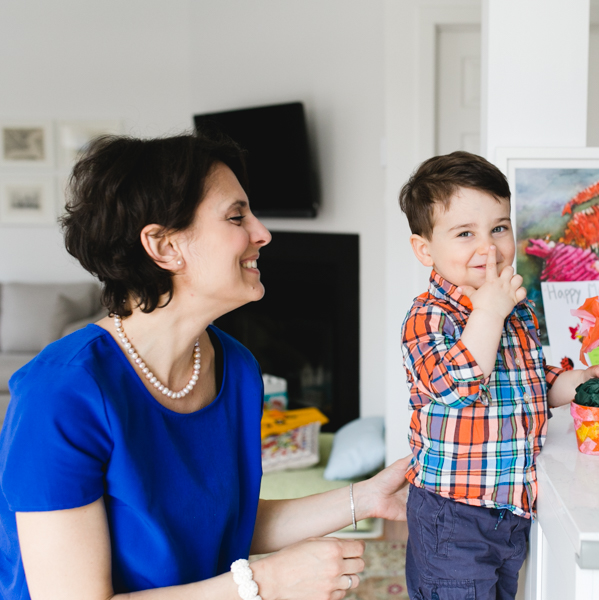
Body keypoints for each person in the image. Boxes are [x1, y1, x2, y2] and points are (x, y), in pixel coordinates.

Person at [0, 133, 409, 600]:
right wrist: (265, 582)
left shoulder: (235, 368)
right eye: (237, 216)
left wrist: (367, 497)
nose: (262, 233)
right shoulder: (60, 394)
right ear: (163, 246)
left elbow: (221, 522)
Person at [397, 151, 599, 600]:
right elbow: (459, 386)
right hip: (453, 515)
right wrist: (490, 312)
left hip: (510, 509)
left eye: (499, 227)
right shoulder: (428, 318)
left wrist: (579, 381)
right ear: (425, 249)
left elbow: (535, 379)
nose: (490, 247)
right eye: (465, 234)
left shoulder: (516, 308)